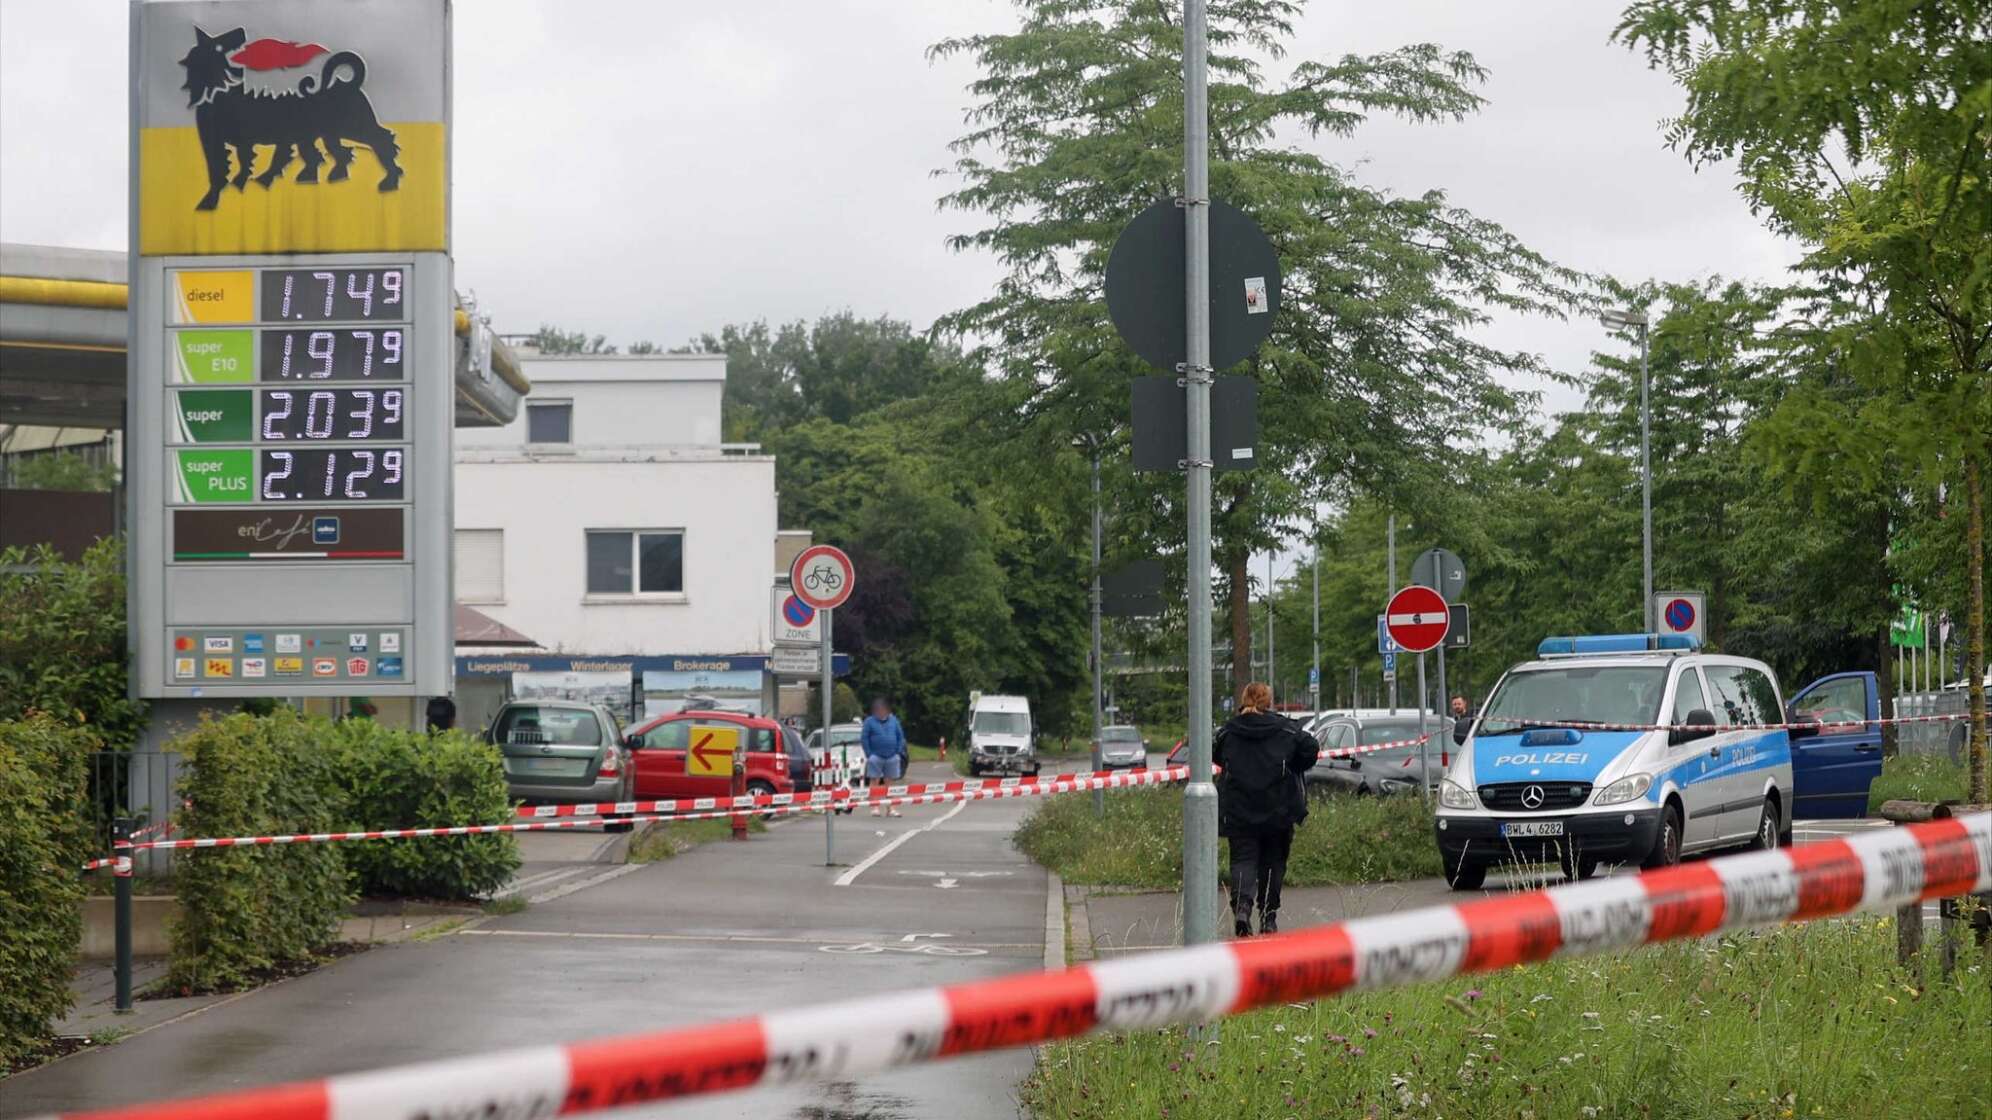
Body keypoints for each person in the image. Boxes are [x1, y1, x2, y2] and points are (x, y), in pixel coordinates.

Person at [1214, 681, 1319, 937]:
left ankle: (1242, 909)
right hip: (1278, 808)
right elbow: (1311, 748)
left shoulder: (1229, 731)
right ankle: (1268, 917)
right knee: (1273, 863)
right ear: (1268, 702)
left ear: (1244, 700)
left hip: (1238, 809)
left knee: (1242, 860)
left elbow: (1215, 753)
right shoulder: (1285, 729)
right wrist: (1294, 765)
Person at [860, 697, 908, 818]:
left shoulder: (894, 721)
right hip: (876, 756)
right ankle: (875, 807)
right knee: (874, 781)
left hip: (892, 756)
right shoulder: (869, 722)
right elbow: (864, 738)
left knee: (889, 782)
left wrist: (897, 752)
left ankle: (891, 808)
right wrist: (869, 754)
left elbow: (900, 737)